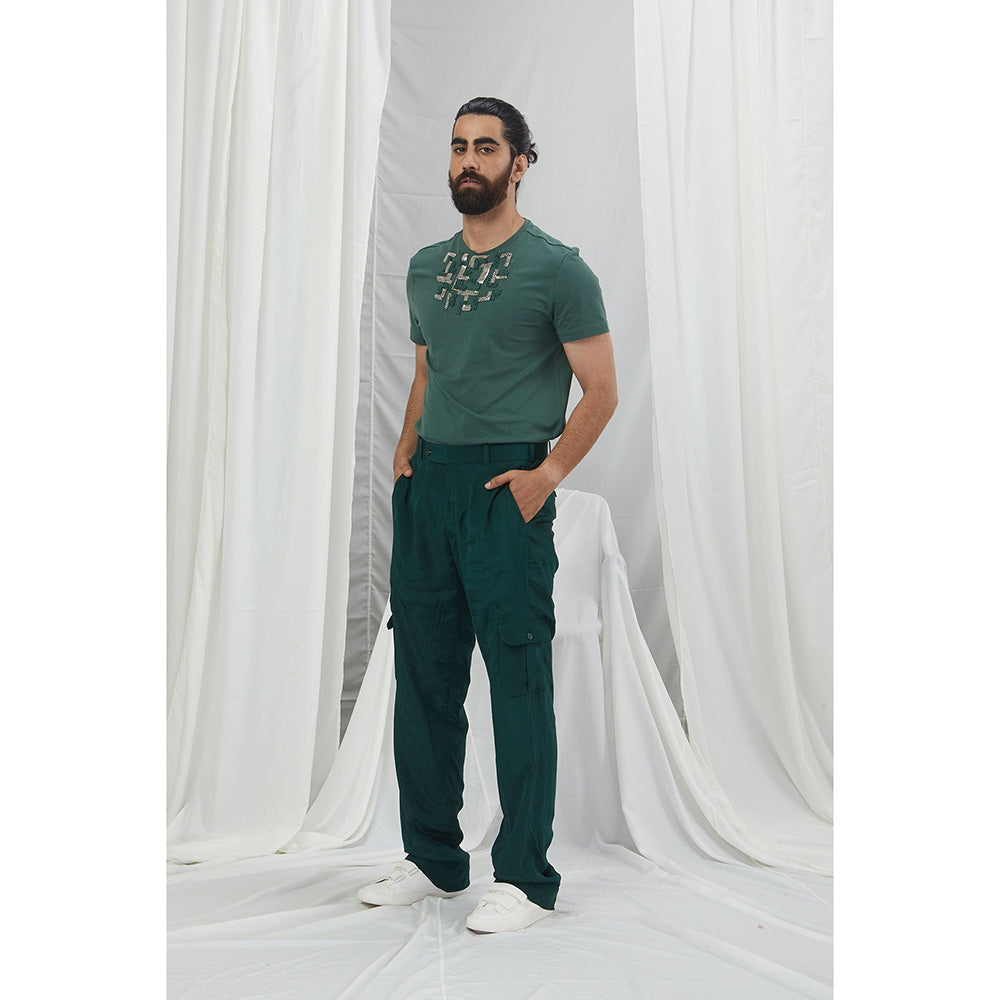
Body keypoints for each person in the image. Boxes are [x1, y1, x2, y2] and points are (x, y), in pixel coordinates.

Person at [357, 97, 617, 933]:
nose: (468, 160)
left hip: (507, 489)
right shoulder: (426, 265)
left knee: (517, 675)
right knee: (425, 679)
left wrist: (548, 474)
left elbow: (601, 391)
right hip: (429, 487)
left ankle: (526, 877)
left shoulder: (559, 270)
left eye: (487, 148)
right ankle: (434, 858)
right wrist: (406, 449)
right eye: (459, 146)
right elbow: (428, 369)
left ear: (520, 162)